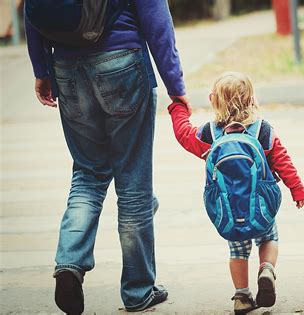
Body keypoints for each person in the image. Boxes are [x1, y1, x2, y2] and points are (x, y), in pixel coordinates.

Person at [25, 1, 187, 313]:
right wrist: (174, 83)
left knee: (87, 174)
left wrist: (41, 70)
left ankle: (69, 262)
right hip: (123, 62)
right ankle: (138, 290)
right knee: (133, 184)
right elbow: (156, 20)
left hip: (67, 70)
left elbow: (32, 10)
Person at [167, 72, 304, 314]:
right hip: (260, 207)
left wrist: (178, 107)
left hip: (229, 209)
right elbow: (283, 161)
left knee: (238, 252)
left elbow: (183, 134)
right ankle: (266, 269)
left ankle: (242, 297)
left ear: (213, 100)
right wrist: (297, 189)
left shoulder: (209, 134)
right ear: (252, 100)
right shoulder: (263, 131)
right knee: (268, 238)